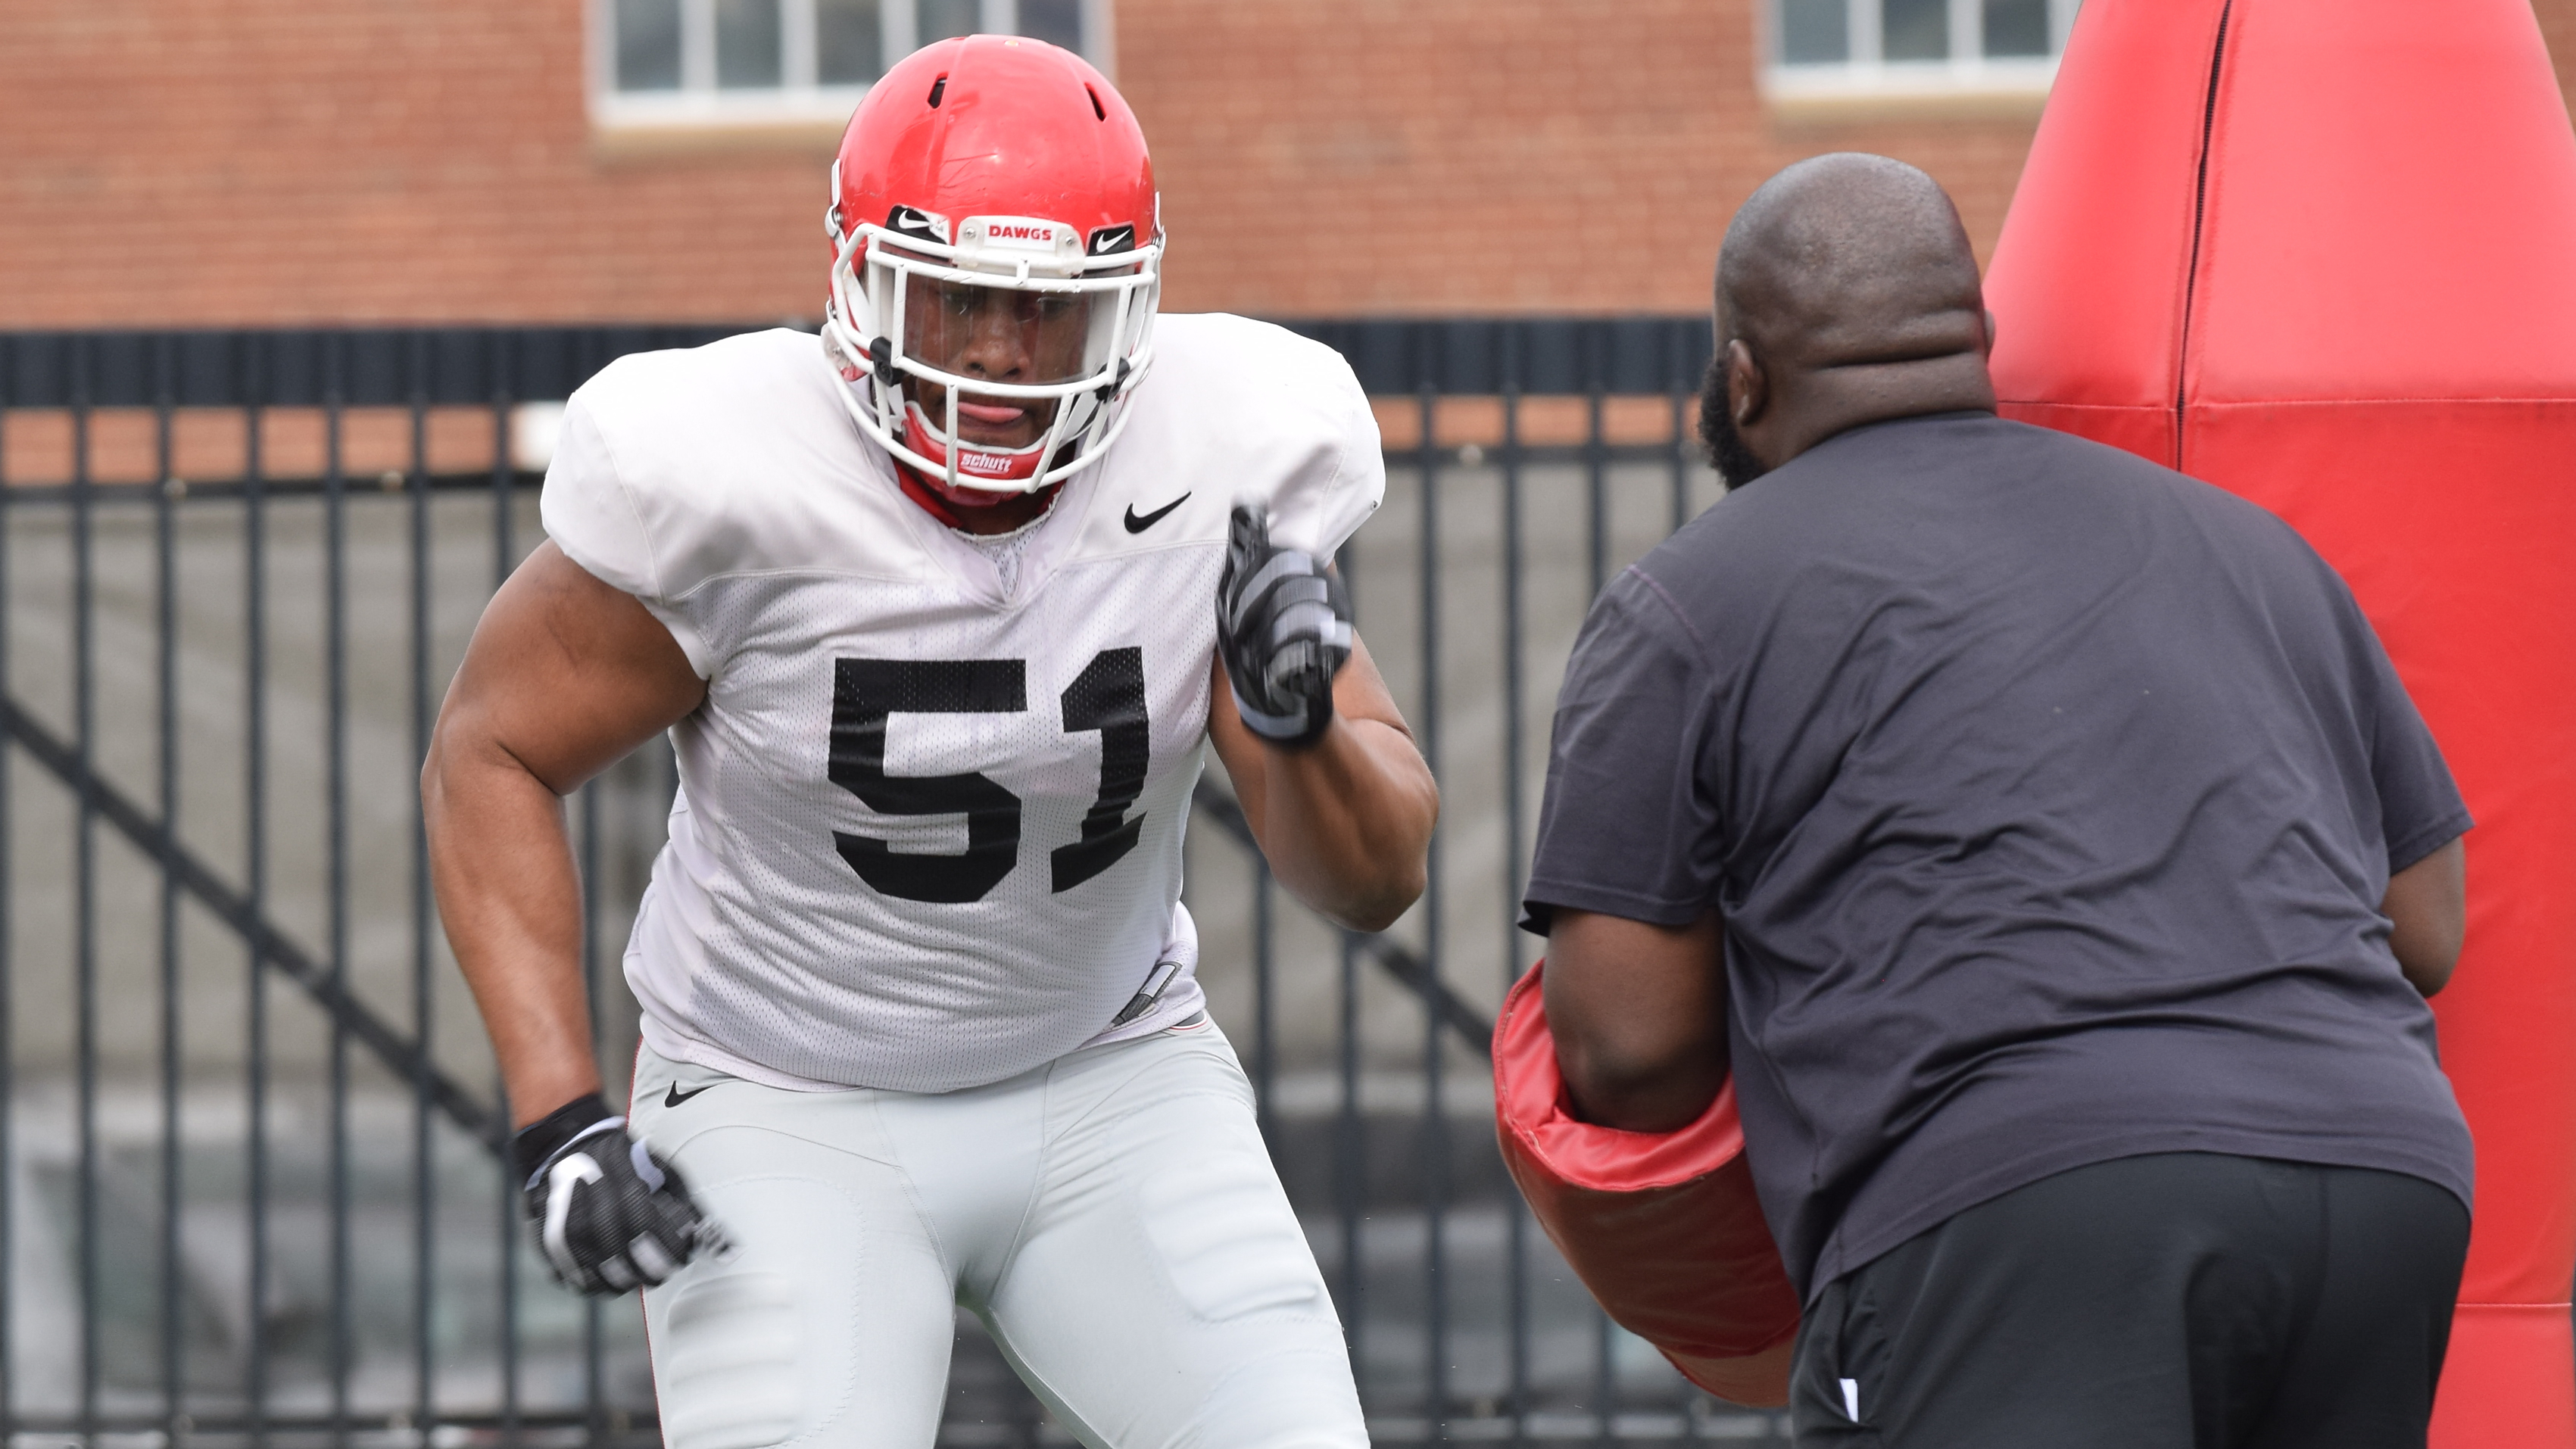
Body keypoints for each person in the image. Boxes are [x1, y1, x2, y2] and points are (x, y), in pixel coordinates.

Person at [420, 35, 1436, 1448]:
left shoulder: (1216, 461)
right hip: (782, 1101)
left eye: (1049, 309)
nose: (1002, 356)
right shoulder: (732, 481)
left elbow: (1376, 878)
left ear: (1130, 310)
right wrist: (560, 1119)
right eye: (958, 294)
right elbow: (489, 754)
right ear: (857, 280)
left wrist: (1301, 721)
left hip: (1116, 1072)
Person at [1520, 153, 2473, 1447]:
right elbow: (2422, 928)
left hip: (2027, 1210)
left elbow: (1622, 1052)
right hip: (2382, 1178)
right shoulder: (2249, 546)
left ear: (1740, 381)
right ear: (1976, 339)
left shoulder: (1688, 603)